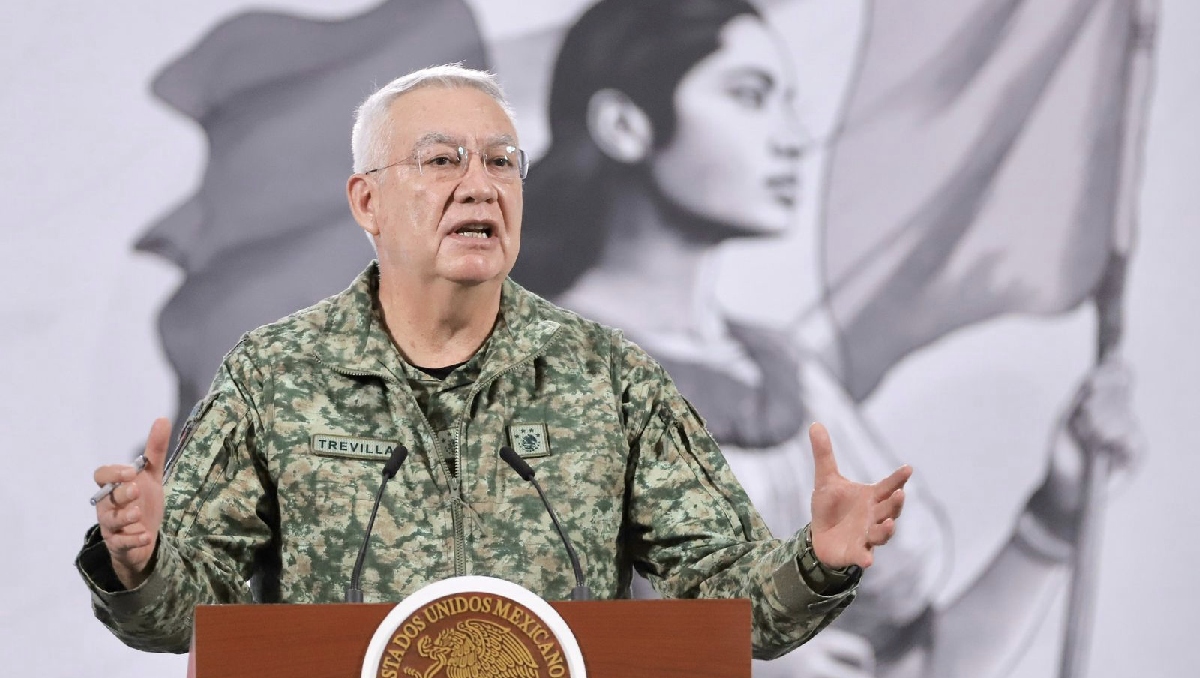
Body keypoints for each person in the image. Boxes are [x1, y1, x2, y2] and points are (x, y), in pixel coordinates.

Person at [78, 64, 912, 660]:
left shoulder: (608, 377)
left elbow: (740, 613)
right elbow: (183, 622)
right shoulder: (276, 374)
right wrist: (142, 559)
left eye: (501, 162)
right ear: (367, 200)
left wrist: (817, 563)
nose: (479, 186)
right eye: (442, 160)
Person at [511, 1, 1139, 677]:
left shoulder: (788, 375)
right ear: (624, 124)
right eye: (749, 96)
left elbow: (916, 666)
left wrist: (1054, 516)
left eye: (788, 102)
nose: (790, 137)